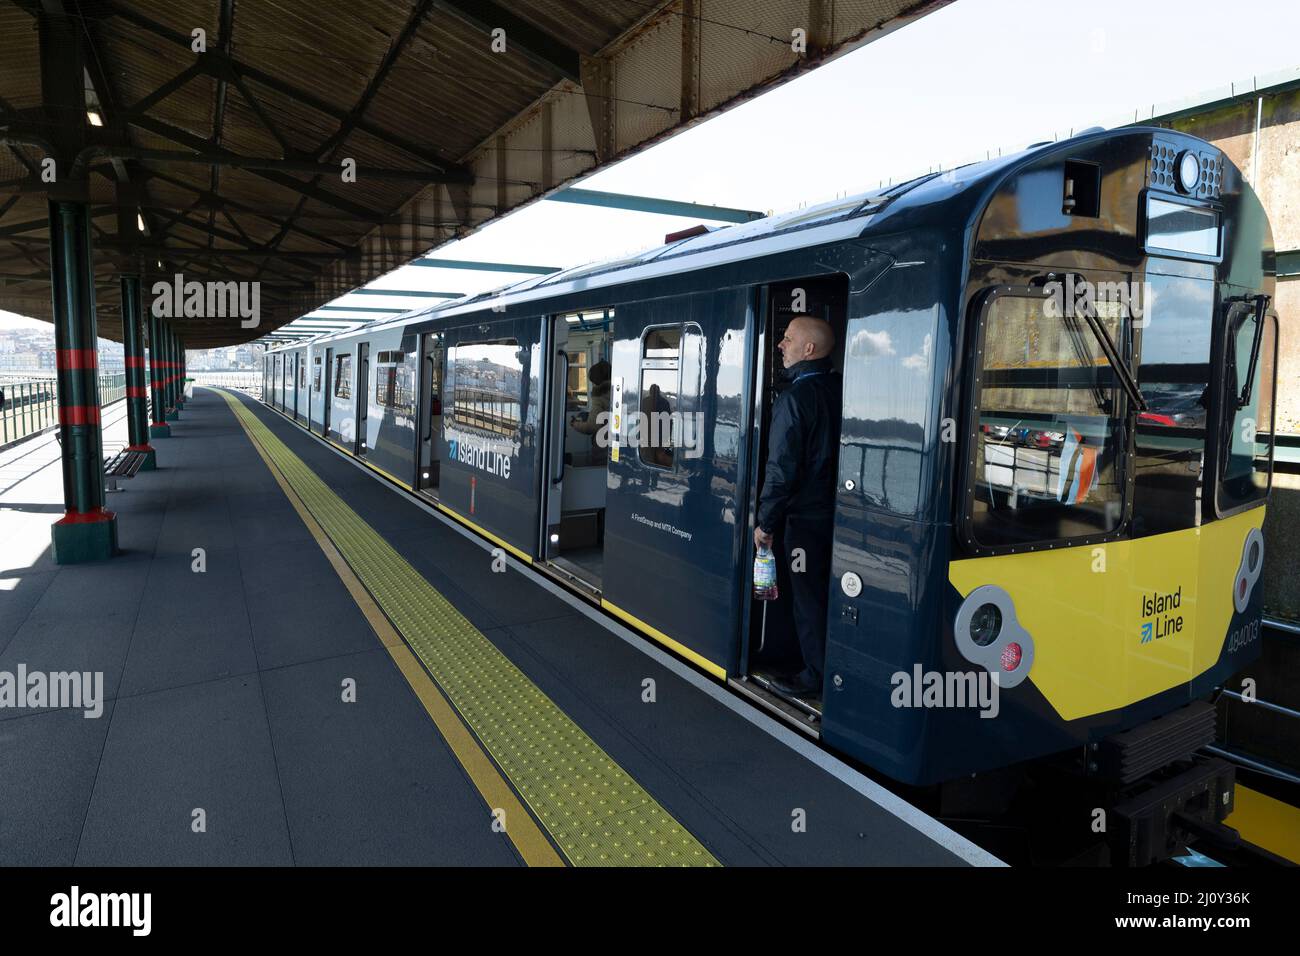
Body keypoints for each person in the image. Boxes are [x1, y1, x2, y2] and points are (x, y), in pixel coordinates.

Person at [753, 315, 841, 697]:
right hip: (837, 517)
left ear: (809, 349)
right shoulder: (840, 389)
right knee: (825, 595)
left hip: (804, 520)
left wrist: (765, 523)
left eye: (788, 339)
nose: (780, 345)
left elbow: (781, 471)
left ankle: (815, 677)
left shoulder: (793, 400)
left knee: (807, 600)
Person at [570, 360, 611, 463]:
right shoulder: (618, 391)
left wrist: (575, 424)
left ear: (596, 381)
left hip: (603, 450)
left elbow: (592, 427)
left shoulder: (599, 397)